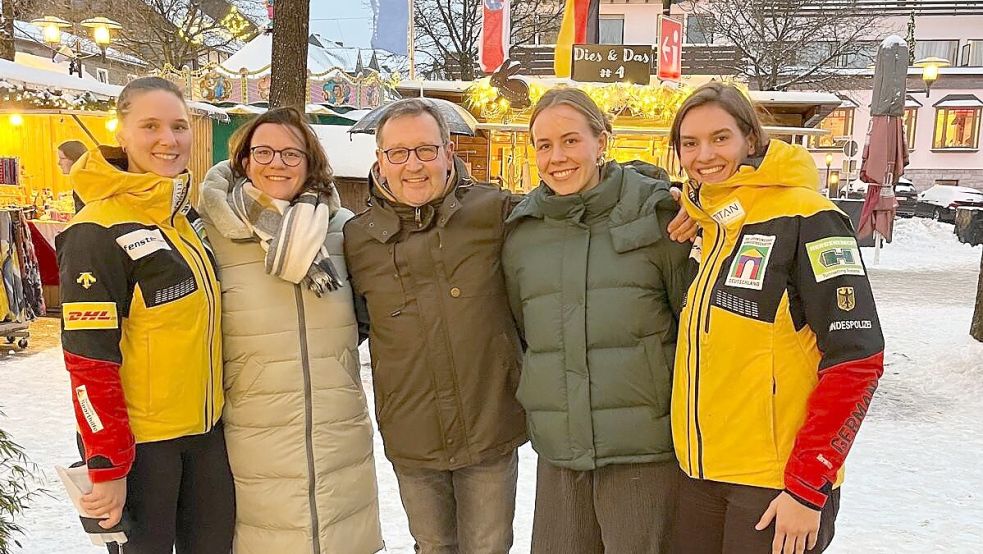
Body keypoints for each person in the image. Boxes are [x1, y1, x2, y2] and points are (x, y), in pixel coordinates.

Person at [668, 82, 885, 554]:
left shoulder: (809, 217)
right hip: (700, 477)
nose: (704, 154)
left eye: (720, 137)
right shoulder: (713, 224)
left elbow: (857, 360)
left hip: (775, 486)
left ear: (751, 138)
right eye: (690, 142)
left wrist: (809, 486)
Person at [501, 87, 692, 554]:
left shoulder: (660, 216)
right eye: (543, 145)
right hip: (562, 451)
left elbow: (689, 322)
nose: (556, 157)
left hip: (644, 450)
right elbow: (526, 332)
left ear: (602, 140)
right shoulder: (523, 235)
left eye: (570, 140)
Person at [343, 98, 528, 554]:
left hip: (489, 426)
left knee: (488, 547)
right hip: (412, 433)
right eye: (398, 153)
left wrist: (659, 190)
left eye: (426, 150)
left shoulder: (495, 212)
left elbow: (571, 203)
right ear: (380, 162)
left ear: (449, 153)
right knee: (432, 546)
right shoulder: (357, 238)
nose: (413, 165)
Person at [57, 76, 233, 552]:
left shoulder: (186, 221)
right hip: (141, 452)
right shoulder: (95, 230)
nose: (167, 139)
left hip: (204, 439)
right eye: (150, 125)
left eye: (179, 126)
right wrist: (107, 465)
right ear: (121, 132)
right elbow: (88, 362)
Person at [197, 107, 383, 554]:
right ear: (243, 161)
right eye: (263, 151)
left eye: (290, 153)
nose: (277, 163)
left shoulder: (340, 231)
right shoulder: (210, 234)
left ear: (310, 162)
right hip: (254, 433)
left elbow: (365, 313)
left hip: (337, 431)